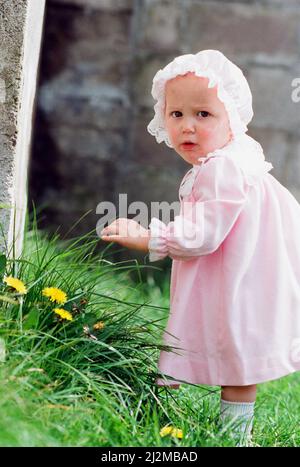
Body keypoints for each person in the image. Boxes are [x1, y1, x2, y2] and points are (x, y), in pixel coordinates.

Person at [100, 50, 300, 446]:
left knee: (236, 354)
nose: (187, 127)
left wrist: (146, 236)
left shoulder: (222, 168)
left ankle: (230, 437)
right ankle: (157, 407)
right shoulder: (237, 156)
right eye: (176, 115)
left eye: (203, 115)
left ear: (233, 119)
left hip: (241, 279)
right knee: (228, 346)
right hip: (246, 274)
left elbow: (202, 235)